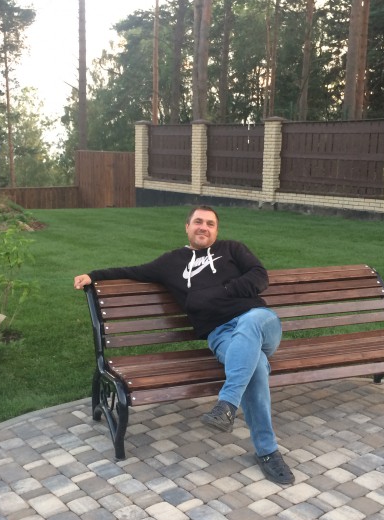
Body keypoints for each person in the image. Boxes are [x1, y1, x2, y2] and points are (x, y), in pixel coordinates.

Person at [73, 206, 294, 485]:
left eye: (210, 224)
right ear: (187, 227)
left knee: (249, 326)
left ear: (216, 230)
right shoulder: (171, 262)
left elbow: (259, 277)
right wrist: (93, 275)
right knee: (257, 366)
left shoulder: (232, 249)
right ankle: (267, 452)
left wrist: (220, 292)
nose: (204, 227)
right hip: (221, 335)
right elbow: (132, 271)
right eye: (198, 222)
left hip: (259, 321)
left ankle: (227, 403)